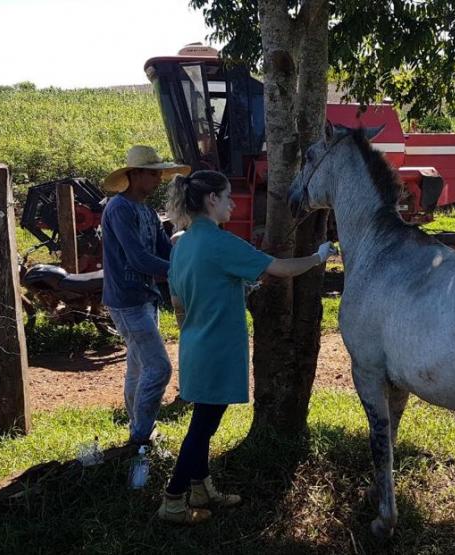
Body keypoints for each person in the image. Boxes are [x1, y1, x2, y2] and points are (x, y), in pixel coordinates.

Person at [158, 170, 335, 524]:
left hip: (195, 346)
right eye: (227, 197)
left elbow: (181, 296)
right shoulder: (221, 243)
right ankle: (172, 500)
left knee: (203, 423)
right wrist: (318, 257)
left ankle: (200, 487)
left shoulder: (183, 242)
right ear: (211, 200)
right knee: (202, 428)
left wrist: (233, 291)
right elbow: (281, 268)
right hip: (218, 350)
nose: (232, 204)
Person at [101, 145, 189, 446]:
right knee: (159, 368)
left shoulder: (147, 211)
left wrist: (189, 256)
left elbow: (164, 248)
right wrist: (182, 272)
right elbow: (138, 259)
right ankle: (141, 437)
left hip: (144, 296)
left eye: (159, 174)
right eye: (152, 174)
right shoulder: (119, 208)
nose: (158, 180)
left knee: (138, 367)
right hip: (128, 300)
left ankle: (138, 430)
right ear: (134, 174)